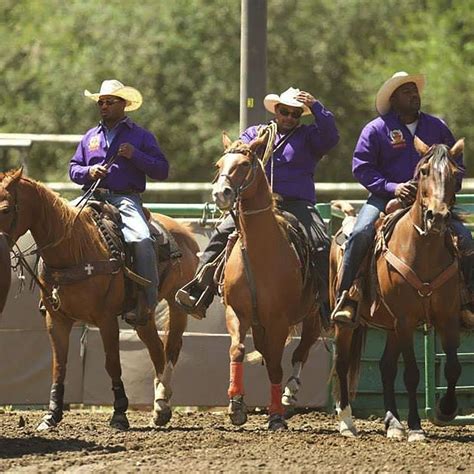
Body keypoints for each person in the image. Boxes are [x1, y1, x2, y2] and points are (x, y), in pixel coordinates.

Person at [176, 87, 339, 321]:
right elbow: (236, 152)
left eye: (295, 114)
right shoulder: (255, 133)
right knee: (220, 236)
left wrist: (317, 108)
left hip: (296, 204)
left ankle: (325, 303)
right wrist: (246, 150)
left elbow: (331, 137)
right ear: (276, 111)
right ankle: (200, 290)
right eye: (285, 112)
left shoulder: (309, 137)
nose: (289, 118)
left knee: (321, 244)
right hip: (255, 205)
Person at [332, 71, 474, 323]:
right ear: (393, 98)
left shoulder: (436, 127)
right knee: (361, 232)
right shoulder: (376, 129)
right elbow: (361, 167)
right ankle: (348, 296)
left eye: (415, 91)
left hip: (434, 201)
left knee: (465, 238)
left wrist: (448, 188)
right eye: (406, 92)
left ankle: (467, 300)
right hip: (383, 197)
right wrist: (391, 187)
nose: (414, 95)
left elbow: (455, 161)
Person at [69, 79, 169, 326]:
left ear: (123, 104)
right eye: (101, 102)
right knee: (60, 221)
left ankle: (147, 299)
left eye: (109, 102)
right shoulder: (90, 136)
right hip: (92, 194)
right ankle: (52, 288)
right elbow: (73, 168)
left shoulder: (141, 136)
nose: (103, 106)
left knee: (142, 239)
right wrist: (89, 172)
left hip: (124, 198)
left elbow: (162, 170)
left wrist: (135, 155)